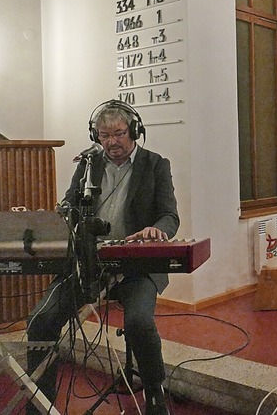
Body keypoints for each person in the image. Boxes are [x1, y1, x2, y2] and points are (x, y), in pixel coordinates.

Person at [26, 100, 180, 415]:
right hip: (88, 262)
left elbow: (170, 217)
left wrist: (155, 229)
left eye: (119, 134)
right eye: (104, 135)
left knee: (138, 322)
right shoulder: (87, 165)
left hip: (136, 265)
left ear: (134, 132)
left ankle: (154, 393)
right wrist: (63, 218)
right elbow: (68, 204)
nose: (111, 142)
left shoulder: (155, 164)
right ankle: (41, 401)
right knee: (41, 320)